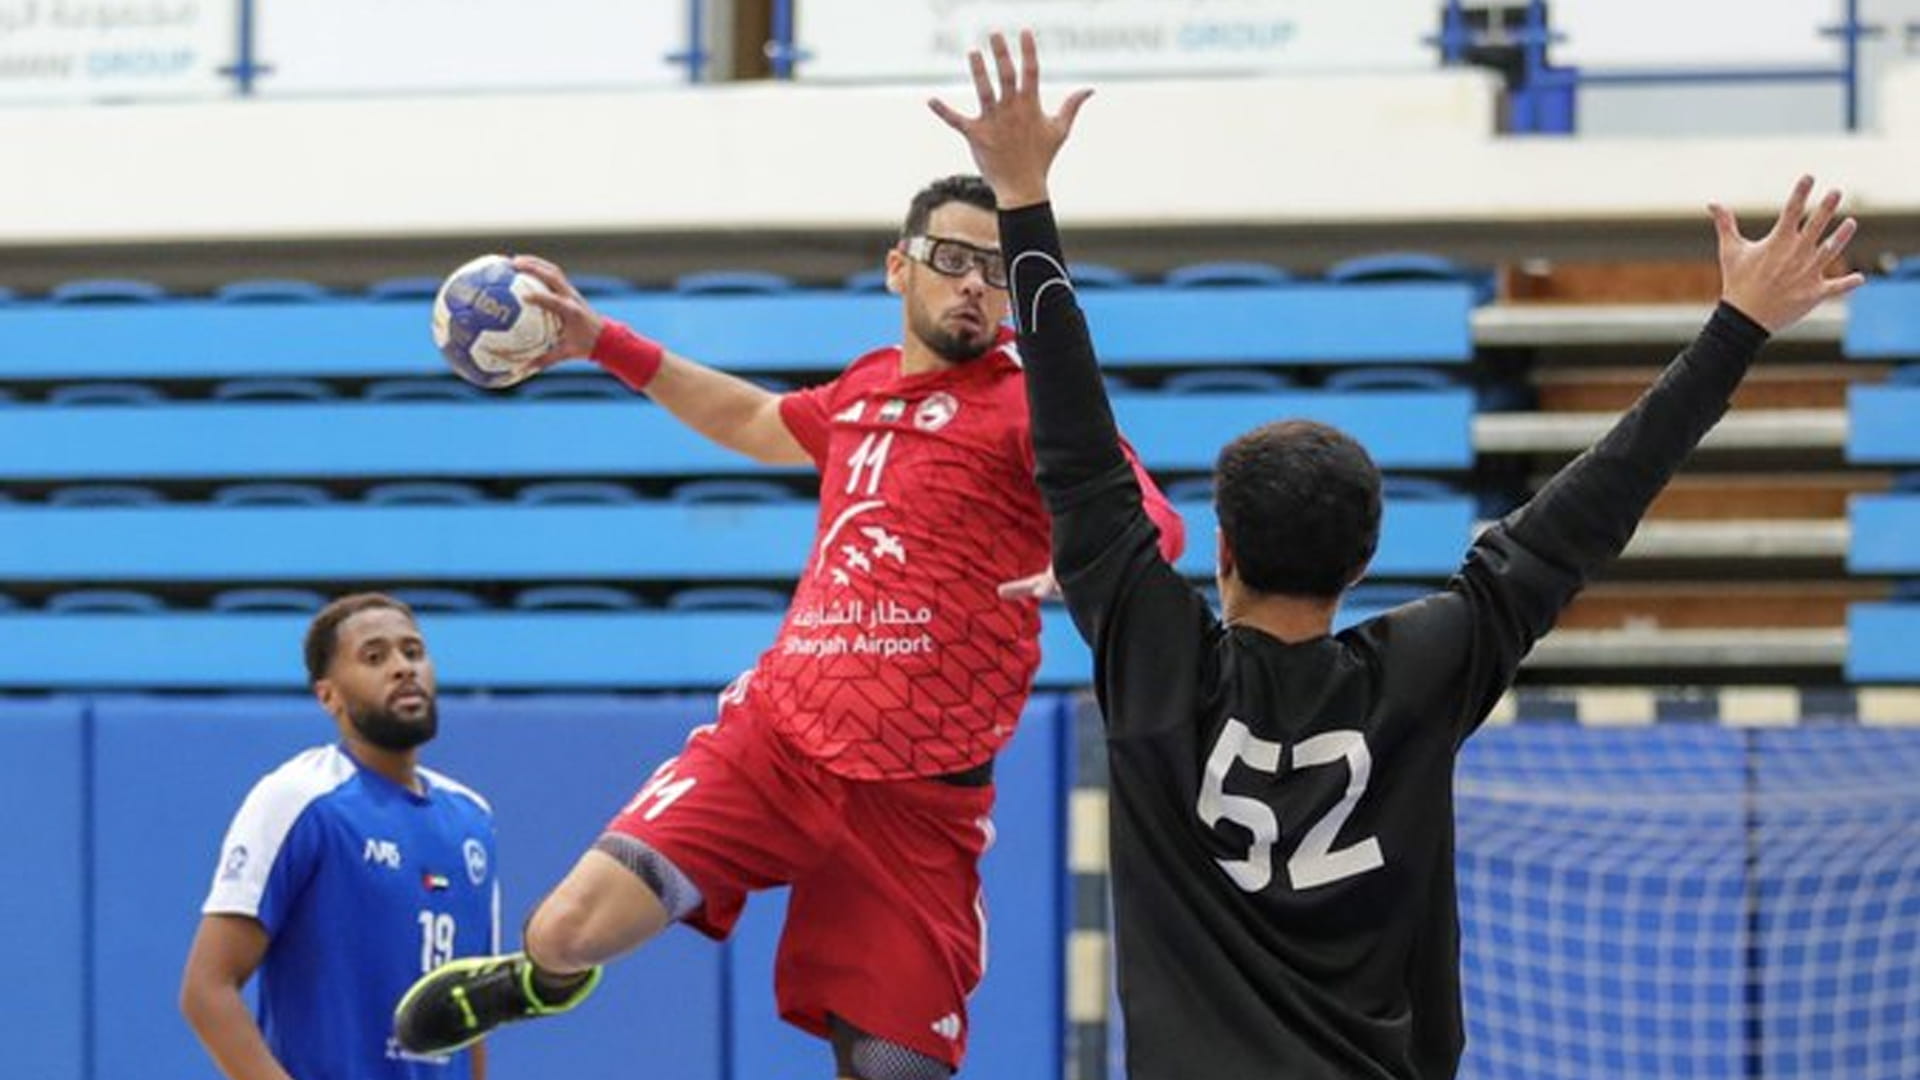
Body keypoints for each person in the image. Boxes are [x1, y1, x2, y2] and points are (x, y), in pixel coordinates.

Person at [930, 30, 1866, 1080]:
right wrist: (1737, 326)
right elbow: (1593, 506)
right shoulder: (1421, 672)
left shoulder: (1159, 663)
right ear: (1363, 562)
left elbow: (1073, 449)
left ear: (1222, 549)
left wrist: (1023, 195)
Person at [393, 175, 1186, 1077]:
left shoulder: (1032, 404)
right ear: (899, 268)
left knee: (896, 1070)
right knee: (566, 931)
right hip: (776, 745)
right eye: (952, 258)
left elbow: (1149, 515)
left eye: (996, 270)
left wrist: (1093, 562)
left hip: (918, 802)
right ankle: (542, 981)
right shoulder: (865, 388)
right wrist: (602, 342)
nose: (973, 283)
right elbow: (754, 418)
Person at [180, 593, 499, 1080]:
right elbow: (206, 990)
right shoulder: (299, 798)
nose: (403, 668)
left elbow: (472, 1014)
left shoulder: (473, 819)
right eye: (374, 657)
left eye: (412, 652)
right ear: (328, 696)